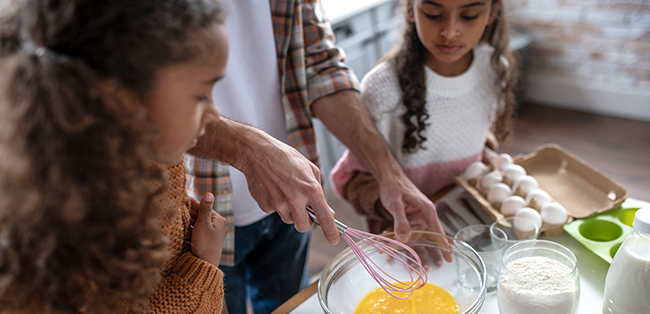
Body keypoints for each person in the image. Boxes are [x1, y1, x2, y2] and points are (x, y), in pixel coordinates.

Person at [184, 0, 447, 313]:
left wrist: (389, 173)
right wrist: (250, 150)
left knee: (287, 303)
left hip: (296, 202)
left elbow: (322, 67)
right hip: (200, 217)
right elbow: (143, 100)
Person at [0, 0, 230, 313]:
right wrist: (202, 266)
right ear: (120, 98)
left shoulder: (153, 153)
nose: (214, 113)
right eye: (201, 95)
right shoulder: (62, 225)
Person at [330, 0, 518, 234]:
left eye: (469, 16)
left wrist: (485, 154)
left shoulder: (493, 68)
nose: (449, 32)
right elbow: (353, 181)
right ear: (411, 9)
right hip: (407, 238)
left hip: (469, 224)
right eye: (433, 14)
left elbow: (476, 133)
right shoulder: (383, 88)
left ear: (492, 13)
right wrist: (396, 207)